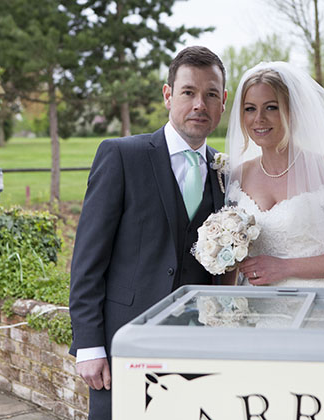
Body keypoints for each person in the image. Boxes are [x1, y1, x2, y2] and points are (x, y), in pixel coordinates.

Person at [69, 46, 227, 420]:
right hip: (125, 341)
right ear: (168, 95)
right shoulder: (122, 156)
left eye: (211, 94)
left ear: (223, 103)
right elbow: (88, 259)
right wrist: (90, 345)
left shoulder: (226, 171)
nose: (199, 104)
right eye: (188, 92)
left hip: (196, 344)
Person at [224, 62, 324, 287]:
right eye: (250, 109)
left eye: (271, 107)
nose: (259, 118)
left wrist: (285, 267)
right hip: (249, 308)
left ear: (293, 111)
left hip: (308, 307)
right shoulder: (238, 176)